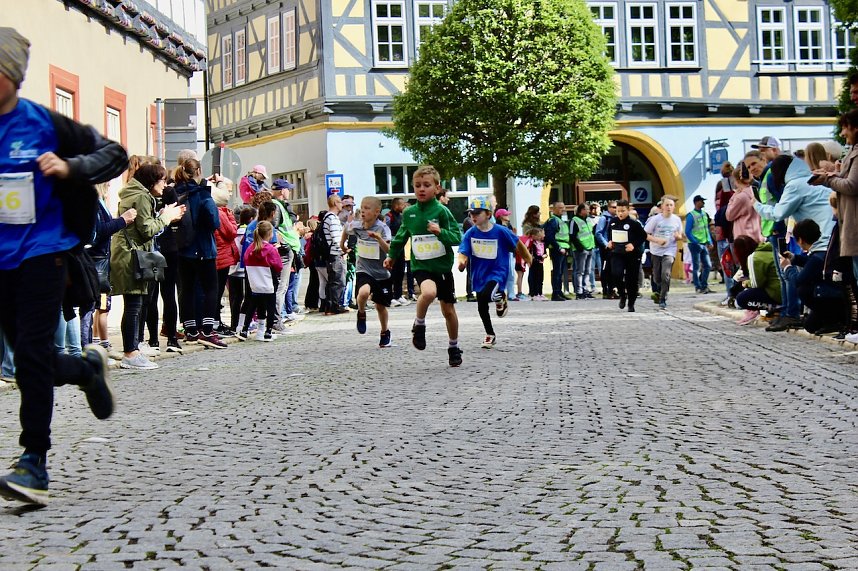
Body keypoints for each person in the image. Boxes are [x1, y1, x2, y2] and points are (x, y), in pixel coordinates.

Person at [0, 27, 130, 505]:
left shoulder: (44, 123)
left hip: (44, 252)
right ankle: (85, 370)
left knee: (31, 355)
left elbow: (114, 155)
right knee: (29, 361)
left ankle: (33, 462)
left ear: (10, 76)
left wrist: (70, 168)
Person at [384, 166, 464, 367]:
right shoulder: (409, 213)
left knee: (448, 311)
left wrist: (440, 233)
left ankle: (453, 346)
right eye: (417, 185)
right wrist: (391, 256)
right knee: (428, 293)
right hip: (421, 266)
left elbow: (456, 237)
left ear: (437, 188)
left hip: (442, 268)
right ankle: (419, 325)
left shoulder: (442, 211)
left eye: (426, 185)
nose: (421, 189)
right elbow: (401, 237)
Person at [111, 164, 186, 369]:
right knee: (134, 306)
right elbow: (146, 230)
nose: (165, 185)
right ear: (152, 181)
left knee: (135, 304)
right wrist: (166, 217)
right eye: (162, 180)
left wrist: (161, 215)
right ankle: (131, 353)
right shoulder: (142, 196)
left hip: (127, 253)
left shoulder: (133, 193)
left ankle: (134, 348)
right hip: (133, 256)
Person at [757, 154, 835, 332]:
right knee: (810, 324)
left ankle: (834, 319)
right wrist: (795, 258)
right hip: (828, 241)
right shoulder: (808, 180)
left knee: (804, 286)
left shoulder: (795, 185)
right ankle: (829, 318)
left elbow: (778, 213)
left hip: (823, 241)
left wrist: (756, 205)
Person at [457, 197, 532, 348]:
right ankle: (490, 334)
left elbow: (518, 245)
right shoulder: (470, 233)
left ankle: (500, 297)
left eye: (477, 213)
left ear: (489, 214)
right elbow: (463, 251)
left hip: (498, 271)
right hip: (479, 274)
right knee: (481, 305)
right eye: (471, 213)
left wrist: (528, 257)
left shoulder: (501, 231)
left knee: (487, 294)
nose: (473, 216)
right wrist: (461, 262)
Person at [811, 109, 858, 339]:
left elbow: (852, 186)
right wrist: (834, 173)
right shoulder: (853, 152)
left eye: (845, 127)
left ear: (855, 127)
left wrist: (829, 178)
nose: (843, 132)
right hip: (850, 220)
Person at [173, 159, 227, 348]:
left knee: (186, 289)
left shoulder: (177, 192)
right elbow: (214, 222)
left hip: (183, 248)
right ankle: (207, 330)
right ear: (199, 171)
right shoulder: (203, 194)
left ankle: (190, 330)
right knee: (211, 288)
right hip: (203, 247)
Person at [342, 197, 393, 347]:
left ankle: (385, 332)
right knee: (363, 293)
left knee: (380, 306)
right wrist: (342, 245)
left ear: (377, 212)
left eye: (367, 208)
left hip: (382, 273)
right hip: (363, 269)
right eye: (362, 208)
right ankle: (361, 312)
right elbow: (346, 229)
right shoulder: (357, 226)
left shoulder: (383, 229)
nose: (363, 211)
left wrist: (378, 239)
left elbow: (389, 250)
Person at [239, 221, 283, 342]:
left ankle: (244, 330)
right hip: (268, 282)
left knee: (253, 306)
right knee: (270, 307)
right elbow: (279, 266)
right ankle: (268, 332)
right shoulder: (270, 249)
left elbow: (246, 261)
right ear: (269, 234)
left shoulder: (250, 249)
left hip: (255, 284)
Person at [644, 195, 683, 310]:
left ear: (674, 207)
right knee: (657, 277)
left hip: (669, 249)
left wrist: (678, 236)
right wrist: (657, 240)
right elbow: (644, 234)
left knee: (666, 274)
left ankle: (663, 298)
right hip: (656, 250)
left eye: (671, 205)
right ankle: (660, 290)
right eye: (667, 205)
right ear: (662, 206)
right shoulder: (655, 219)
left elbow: (680, 235)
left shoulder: (677, 220)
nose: (669, 207)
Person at [607, 200, 647, 312]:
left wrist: (633, 245)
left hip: (631, 255)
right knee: (616, 274)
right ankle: (622, 295)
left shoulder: (634, 223)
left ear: (628, 210)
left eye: (623, 211)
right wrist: (609, 242)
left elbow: (643, 236)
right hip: (617, 253)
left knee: (631, 279)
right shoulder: (613, 222)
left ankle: (631, 303)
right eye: (618, 211)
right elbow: (609, 234)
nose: (620, 213)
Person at [213, 184, 238, 337]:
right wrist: (230, 217)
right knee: (217, 291)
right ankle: (216, 322)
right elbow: (231, 232)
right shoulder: (221, 213)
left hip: (219, 255)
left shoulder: (216, 211)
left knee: (217, 291)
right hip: (221, 257)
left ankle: (216, 321)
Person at [320, 194, 349, 315]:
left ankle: (331, 306)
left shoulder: (328, 217)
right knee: (338, 281)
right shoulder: (332, 219)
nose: (342, 205)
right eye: (340, 202)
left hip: (332, 254)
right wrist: (344, 249)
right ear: (335, 203)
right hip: (335, 254)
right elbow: (337, 238)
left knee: (334, 281)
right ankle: (333, 307)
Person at [726, 162, 764, 243]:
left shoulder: (740, 197)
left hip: (744, 239)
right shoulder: (754, 190)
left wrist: (732, 198)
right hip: (757, 234)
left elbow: (729, 215)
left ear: (736, 180)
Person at [684, 195, 714, 293]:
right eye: (702, 201)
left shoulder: (705, 214)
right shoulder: (691, 215)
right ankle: (698, 286)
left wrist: (710, 241)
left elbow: (706, 229)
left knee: (708, 265)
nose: (703, 203)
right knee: (696, 266)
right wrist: (695, 241)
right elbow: (687, 231)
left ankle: (704, 285)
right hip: (695, 244)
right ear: (696, 202)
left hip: (704, 243)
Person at [543, 202, 570, 301]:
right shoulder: (553, 220)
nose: (562, 209)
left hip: (564, 248)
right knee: (557, 272)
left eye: (563, 207)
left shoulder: (560, 220)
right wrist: (559, 248)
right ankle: (555, 293)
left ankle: (559, 292)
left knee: (560, 272)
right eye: (559, 208)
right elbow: (550, 237)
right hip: (557, 249)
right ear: (553, 209)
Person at [569, 203, 596, 300]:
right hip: (580, 250)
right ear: (582, 210)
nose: (589, 211)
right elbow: (572, 236)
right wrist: (580, 248)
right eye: (587, 209)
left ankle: (585, 290)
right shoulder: (574, 221)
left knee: (587, 271)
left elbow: (591, 233)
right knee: (579, 271)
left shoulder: (588, 220)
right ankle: (579, 292)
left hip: (590, 248)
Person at [595, 200, 617, 298]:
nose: (615, 209)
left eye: (616, 207)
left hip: (615, 248)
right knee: (606, 270)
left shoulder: (616, 218)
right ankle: (606, 290)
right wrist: (606, 244)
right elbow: (598, 233)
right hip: (606, 248)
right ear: (608, 208)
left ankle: (612, 289)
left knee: (614, 269)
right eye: (613, 207)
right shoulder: (604, 218)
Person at [526, 227, 547, 300]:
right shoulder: (532, 244)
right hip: (534, 263)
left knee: (540, 278)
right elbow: (533, 255)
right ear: (534, 236)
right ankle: (533, 293)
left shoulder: (543, 244)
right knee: (534, 278)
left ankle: (540, 293)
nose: (542, 236)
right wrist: (540, 257)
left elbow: (544, 252)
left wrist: (545, 255)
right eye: (540, 235)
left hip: (540, 263)